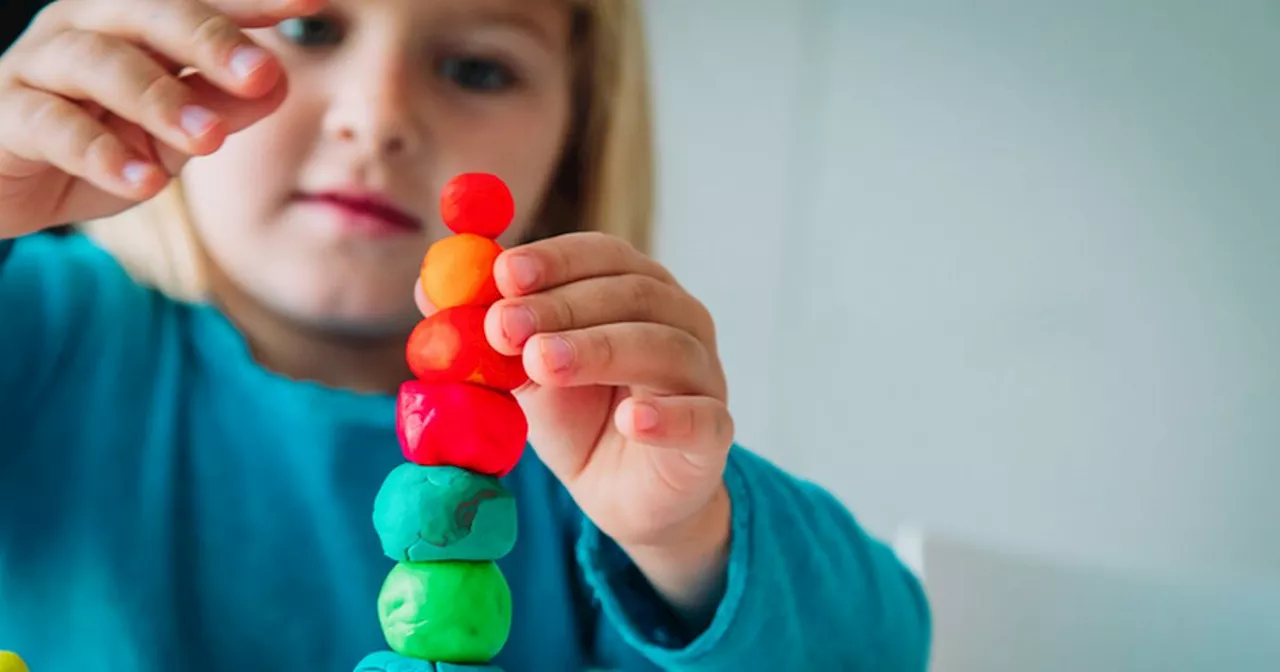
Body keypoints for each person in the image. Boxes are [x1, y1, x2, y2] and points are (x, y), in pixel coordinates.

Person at [0, 0, 931, 670]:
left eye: (477, 68)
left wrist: (686, 536)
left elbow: (882, 648)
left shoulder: (587, 434)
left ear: (576, 142)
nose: (381, 115)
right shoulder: (43, 335)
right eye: (309, 28)